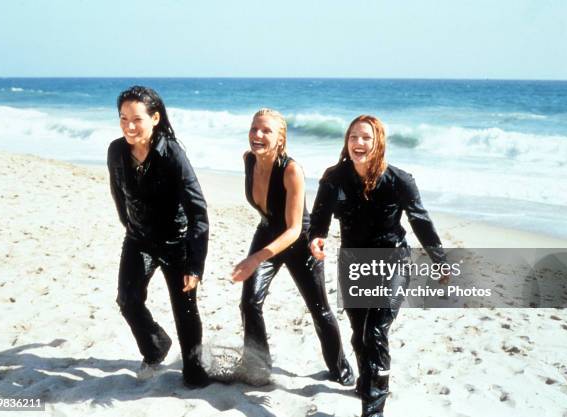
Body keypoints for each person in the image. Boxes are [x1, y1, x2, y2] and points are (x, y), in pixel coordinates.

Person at [308, 115, 449, 417]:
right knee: (359, 335)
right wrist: (316, 239)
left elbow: (421, 222)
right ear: (346, 141)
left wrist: (440, 260)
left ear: (378, 142)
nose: (359, 143)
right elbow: (318, 219)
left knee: (375, 331)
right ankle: (367, 381)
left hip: (393, 262)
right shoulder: (334, 178)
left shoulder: (399, 180)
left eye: (366, 138)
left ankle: (373, 409)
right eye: (353, 137)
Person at [231, 108, 354, 386]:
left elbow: (294, 229)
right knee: (249, 302)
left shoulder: (291, 170)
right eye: (254, 129)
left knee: (319, 308)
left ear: (280, 139)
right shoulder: (248, 160)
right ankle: (258, 367)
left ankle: (340, 370)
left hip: (299, 241)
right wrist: (259, 256)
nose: (257, 135)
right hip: (267, 231)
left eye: (266, 131)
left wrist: (254, 259)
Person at [107, 86, 210, 388]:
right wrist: (130, 226)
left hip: (176, 241)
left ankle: (194, 368)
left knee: (185, 308)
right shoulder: (116, 151)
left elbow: (198, 211)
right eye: (123, 118)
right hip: (138, 239)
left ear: (155, 118)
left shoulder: (172, 154)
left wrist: (194, 264)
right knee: (128, 300)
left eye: (136, 119)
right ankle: (155, 347)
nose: (129, 126)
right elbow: (118, 194)